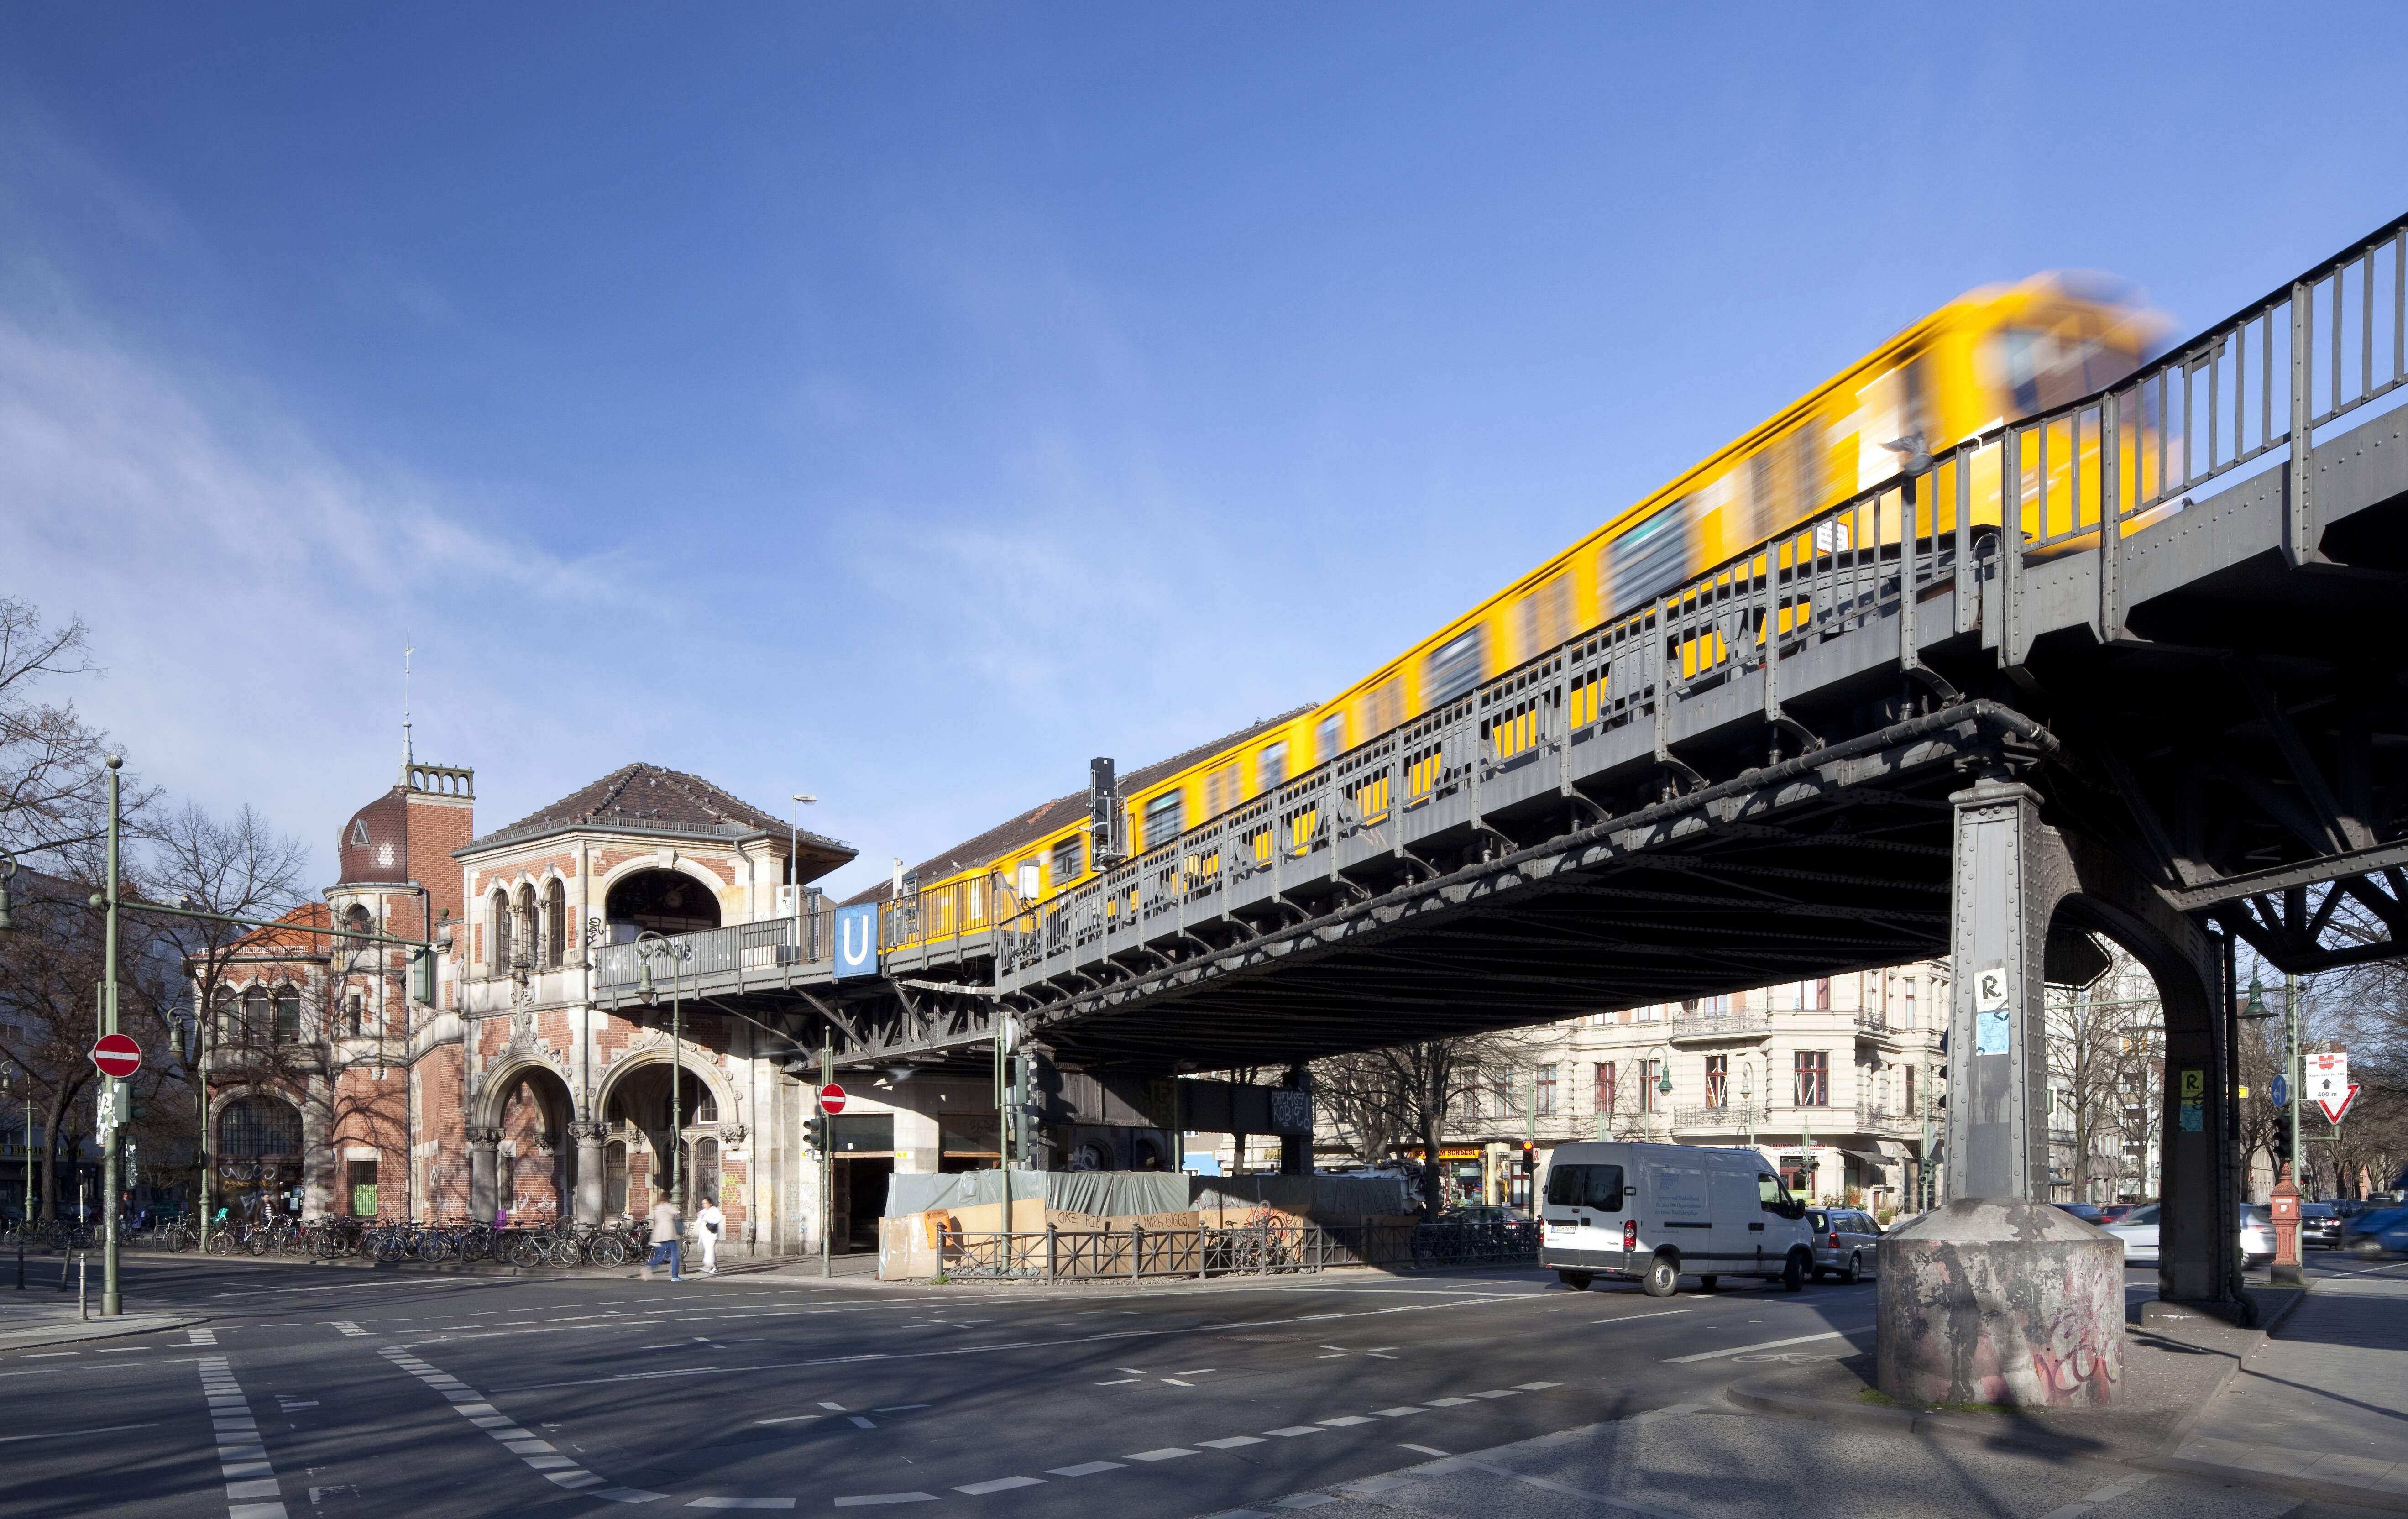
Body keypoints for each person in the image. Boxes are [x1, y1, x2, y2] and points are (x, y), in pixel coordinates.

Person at [642, 1194, 682, 1282]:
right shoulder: (667, 1205)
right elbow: (677, 1211)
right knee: (675, 1254)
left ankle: (649, 1267)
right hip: (669, 1231)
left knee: (660, 1255)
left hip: (660, 1232)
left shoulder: (657, 1207)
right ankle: (675, 1276)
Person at [695, 1194, 724, 1276]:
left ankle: (707, 1266)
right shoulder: (704, 1211)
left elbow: (719, 1219)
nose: (704, 1205)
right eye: (703, 1204)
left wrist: (709, 1220)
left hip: (711, 1234)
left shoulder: (714, 1210)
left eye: (705, 1203)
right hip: (704, 1234)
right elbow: (699, 1222)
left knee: (709, 1251)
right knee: (709, 1251)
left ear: (710, 1203)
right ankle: (715, 1267)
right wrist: (700, 1217)